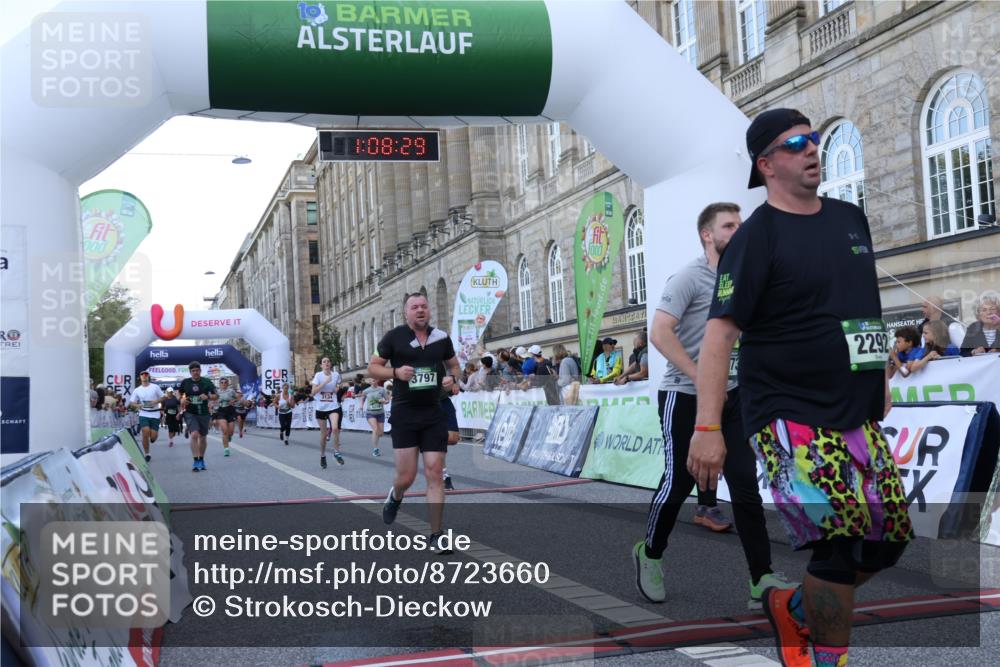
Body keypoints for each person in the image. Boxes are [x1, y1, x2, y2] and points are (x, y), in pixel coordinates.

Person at [688, 108, 912, 667]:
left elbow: (862, 308)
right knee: (837, 543)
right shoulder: (755, 237)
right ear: (766, 164)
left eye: (813, 138)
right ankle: (825, 656)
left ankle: (795, 608)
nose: (812, 148)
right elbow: (719, 336)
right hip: (788, 413)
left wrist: (876, 375)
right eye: (795, 143)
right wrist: (709, 427)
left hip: (854, 409)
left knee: (887, 541)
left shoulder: (849, 218)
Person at [636, 202, 790, 608]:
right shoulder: (689, 277)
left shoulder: (746, 277)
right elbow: (660, 332)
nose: (738, 229)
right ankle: (650, 552)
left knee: (743, 483)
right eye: (729, 224)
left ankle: (761, 578)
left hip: (735, 395)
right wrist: (699, 376)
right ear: (708, 234)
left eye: (741, 223)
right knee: (682, 480)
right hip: (684, 395)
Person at [368, 292, 461, 553]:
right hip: (405, 413)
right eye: (414, 307)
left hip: (433, 412)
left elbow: (455, 366)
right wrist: (395, 372)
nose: (420, 310)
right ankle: (395, 496)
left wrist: (452, 379)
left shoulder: (441, 338)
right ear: (406, 313)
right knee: (406, 477)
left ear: (429, 310)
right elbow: (373, 368)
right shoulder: (393, 337)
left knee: (434, 471)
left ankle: (436, 534)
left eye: (423, 306)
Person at [179, 361, 218, 472]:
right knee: (195, 434)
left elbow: (216, 396)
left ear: (200, 371)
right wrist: (181, 399)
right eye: (193, 371)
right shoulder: (185, 382)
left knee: (203, 437)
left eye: (197, 370)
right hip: (190, 412)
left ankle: (201, 459)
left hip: (204, 413)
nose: (195, 372)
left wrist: (208, 396)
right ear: (190, 372)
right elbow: (179, 393)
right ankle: (195, 461)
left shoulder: (207, 382)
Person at [311, 357, 343, 468]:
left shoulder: (336, 375)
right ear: (321, 365)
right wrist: (325, 382)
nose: (327, 363)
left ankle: (336, 452)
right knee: (323, 435)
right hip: (321, 408)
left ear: (330, 364)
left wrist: (336, 389)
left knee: (335, 428)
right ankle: (323, 455)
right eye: (324, 362)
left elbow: (337, 388)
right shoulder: (318, 376)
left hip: (333, 406)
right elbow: (313, 392)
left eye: (328, 361)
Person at [129, 371, 164, 463]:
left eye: (146, 375)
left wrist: (156, 401)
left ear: (148, 377)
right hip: (144, 413)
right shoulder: (137, 390)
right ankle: (147, 454)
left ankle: (153, 437)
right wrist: (138, 406)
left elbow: (163, 397)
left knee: (153, 436)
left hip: (155, 414)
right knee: (145, 432)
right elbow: (132, 402)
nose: (144, 376)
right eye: (142, 375)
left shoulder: (155, 387)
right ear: (140, 377)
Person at [440, 381, 461, 491]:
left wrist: (454, 381)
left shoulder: (443, 362)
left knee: (452, 438)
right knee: (438, 441)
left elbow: (454, 367)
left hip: (443, 400)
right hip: (425, 402)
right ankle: (444, 475)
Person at [362, 378, 389, 457]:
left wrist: (384, 401)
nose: (373, 381)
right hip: (370, 413)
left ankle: (376, 439)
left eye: (375, 380)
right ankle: (375, 449)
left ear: (377, 381)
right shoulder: (366, 391)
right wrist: (361, 405)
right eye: (372, 380)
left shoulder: (382, 390)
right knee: (375, 429)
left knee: (380, 433)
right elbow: (362, 398)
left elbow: (388, 400)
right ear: (370, 382)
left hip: (380, 413)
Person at [213, 377, 238, 457]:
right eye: (222, 382)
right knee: (225, 430)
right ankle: (226, 449)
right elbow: (212, 401)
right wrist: (214, 403)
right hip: (221, 411)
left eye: (225, 382)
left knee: (231, 431)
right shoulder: (217, 392)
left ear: (227, 383)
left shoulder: (231, 391)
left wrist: (233, 401)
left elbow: (237, 398)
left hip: (230, 411)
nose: (223, 384)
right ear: (219, 384)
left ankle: (229, 436)